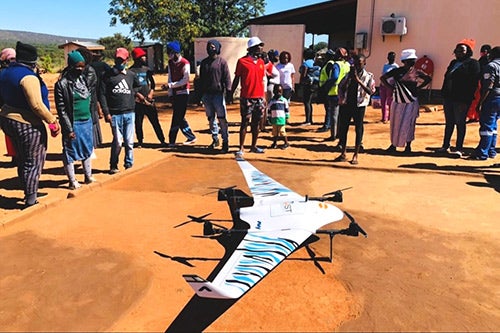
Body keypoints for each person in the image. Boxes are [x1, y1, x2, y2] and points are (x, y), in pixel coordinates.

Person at [0, 41, 61, 208]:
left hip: (7, 120)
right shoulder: (28, 77)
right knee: (33, 161)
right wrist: (52, 121)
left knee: (21, 157)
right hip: (27, 123)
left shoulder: (5, 73)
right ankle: (31, 198)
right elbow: (36, 105)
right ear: (33, 62)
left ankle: (27, 188)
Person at [55, 50, 96, 189]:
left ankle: (88, 176)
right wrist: (68, 129)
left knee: (87, 148)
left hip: (86, 121)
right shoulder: (62, 84)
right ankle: (72, 181)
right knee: (70, 151)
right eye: (78, 66)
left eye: (82, 66)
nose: (80, 69)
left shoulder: (83, 80)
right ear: (71, 66)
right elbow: (62, 109)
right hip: (73, 122)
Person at [98, 47, 141, 174]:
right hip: (115, 114)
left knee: (129, 141)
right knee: (118, 141)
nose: (119, 62)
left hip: (129, 112)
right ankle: (113, 164)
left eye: (121, 60)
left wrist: (133, 93)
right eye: (117, 59)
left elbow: (138, 86)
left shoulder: (131, 75)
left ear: (127, 60)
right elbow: (102, 95)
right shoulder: (107, 76)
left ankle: (129, 163)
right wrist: (106, 112)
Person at [380, 48, 432, 154]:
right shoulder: (397, 71)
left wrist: (419, 87)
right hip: (398, 101)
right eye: (410, 60)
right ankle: (393, 145)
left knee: (409, 124)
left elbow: (428, 79)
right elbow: (383, 78)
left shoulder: (417, 72)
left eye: (413, 59)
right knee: (395, 123)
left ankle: (408, 146)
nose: (413, 62)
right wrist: (390, 87)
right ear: (404, 61)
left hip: (411, 102)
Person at [438, 39, 480, 158]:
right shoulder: (453, 63)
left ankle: (459, 148)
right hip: (449, 97)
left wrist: (467, 98)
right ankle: (445, 146)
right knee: (449, 123)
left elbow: (473, 82)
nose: (459, 52)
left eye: (462, 50)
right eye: (457, 50)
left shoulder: (473, 64)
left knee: (460, 123)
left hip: (461, 99)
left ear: (468, 52)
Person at [334, 54, 376, 164]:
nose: (357, 66)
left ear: (364, 63)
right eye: (356, 64)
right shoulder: (349, 75)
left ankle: (355, 155)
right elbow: (340, 86)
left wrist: (358, 80)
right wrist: (342, 97)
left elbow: (370, 91)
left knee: (358, 129)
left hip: (360, 105)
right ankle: (343, 152)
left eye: (360, 64)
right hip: (347, 104)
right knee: (344, 129)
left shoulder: (368, 76)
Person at [230, 36, 267, 156]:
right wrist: (231, 93)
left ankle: (254, 146)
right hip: (247, 97)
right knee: (245, 122)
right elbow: (237, 78)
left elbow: (262, 80)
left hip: (259, 97)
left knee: (256, 123)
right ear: (252, 48)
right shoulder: (242, 62)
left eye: (261, 46)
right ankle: (241, 147)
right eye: (258, 46)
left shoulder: (261, 63)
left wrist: (264, 96)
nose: (261, 48)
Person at [199, 39, 232, 153]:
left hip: (218, 94)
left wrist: (228, 93)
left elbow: (227, 78)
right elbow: (201, 80)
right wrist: (199, 95)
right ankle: (215, 139)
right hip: (207, 95)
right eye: (209, 46)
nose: (210, 48)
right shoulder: (204, 63)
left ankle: (225, 141)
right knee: (210, 118)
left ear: (218, 48)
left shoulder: (222, 62)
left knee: (222, 118)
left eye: (213, 46)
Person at [129, 47, 166, 148]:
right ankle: (140, 141)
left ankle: (162, 140)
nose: (145, 58)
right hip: (138, 102)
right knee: (138, 122)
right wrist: (138, 95)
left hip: (149, 100)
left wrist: (151, 93)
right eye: (142, 56)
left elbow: (152, 83)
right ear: (137, 58)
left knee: (155, 121)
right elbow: (131, 87)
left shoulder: (147, 70)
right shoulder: (131, 71)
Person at [164, 41, 197, 146]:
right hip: (174, 93)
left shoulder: (185, 63)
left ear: (175, 52)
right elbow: (169, 77)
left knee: (177, 116)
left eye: (170, 52)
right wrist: (170, 93)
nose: (168, 54)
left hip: (183, 92)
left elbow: (185, 80)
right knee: (180, 116)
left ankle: (171, 140)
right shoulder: (170, 63)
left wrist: (171, 86)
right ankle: (191, 136)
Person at [470, 46, 500, 160]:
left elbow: (488, 85)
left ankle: (482, 153)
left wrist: (480, 102)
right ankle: (491, 150)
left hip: (492, 98)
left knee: (486, 126)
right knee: (493, 125)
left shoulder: (491, 66)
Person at [318, 47, 351, 144]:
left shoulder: (336, 65)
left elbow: (335, 77)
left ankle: (333, 135)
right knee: (342, 115)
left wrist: (326, 87)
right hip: (345, 93)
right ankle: (340, 134)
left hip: (334, 92)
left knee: (334, 115)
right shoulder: (347, 65)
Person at [76, 47, 103, 150]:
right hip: (80, 105)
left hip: (89, 103)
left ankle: (90, 147)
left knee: (90, 125)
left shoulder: (89, 71)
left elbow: (87, 89)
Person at [0, 47, 17, 166]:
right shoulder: (21, 69)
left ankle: (14, 157)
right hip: (20, 108)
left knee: (9, 134)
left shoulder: (2, 72)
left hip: (6, 108)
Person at [467, 44, 491, 123]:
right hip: (484, 84)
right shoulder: (488, 60)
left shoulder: (484, 60)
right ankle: (477, 116)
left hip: (481, 83)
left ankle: (475, 116)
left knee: (476, 100)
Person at [299, 48, 320, 125]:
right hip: (315, 84)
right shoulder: (315, 63)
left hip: (308, 85)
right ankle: (310, 119)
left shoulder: (306, 63)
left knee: (306, 102)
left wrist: (301, 83)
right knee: (309, 102)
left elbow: (303, 74)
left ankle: (308, 120)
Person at [267, 84, 290, 149]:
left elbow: (287, 109)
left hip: (281, 119)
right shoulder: (272, 101)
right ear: (274, 92)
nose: (278, 93)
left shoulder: (284, 100)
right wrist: (269, 117)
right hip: (274, 119)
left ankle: (286, 143)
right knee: (275, 132)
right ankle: (274, 143)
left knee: (282, 131)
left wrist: (287, 117)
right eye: (277, 91)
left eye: (280, 91)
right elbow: (269, 109)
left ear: (282, 92)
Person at [379, 51, 398, 123]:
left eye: (393, 57)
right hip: (383, 85)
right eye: (390, 57)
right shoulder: (385, 65)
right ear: (387, 58)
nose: (391, 58)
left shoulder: (396, 66)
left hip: (391, 86)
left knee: (390, 102)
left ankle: (390, 117)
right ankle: (384, 117)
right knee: (383, 102)